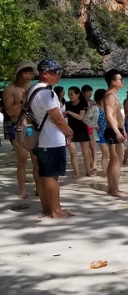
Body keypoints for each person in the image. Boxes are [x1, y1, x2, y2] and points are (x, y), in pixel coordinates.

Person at [29, 59, 73, 218]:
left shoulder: (33, 89)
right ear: (45, 74)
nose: (59, 76)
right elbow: (58, 119)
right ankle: (56, 210)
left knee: (43, 174)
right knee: (51, 176)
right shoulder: (47, 92)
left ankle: (47, 208)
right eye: (56, 73)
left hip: (40, 139)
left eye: (60, 72)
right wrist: (68, 131)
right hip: (51, 140)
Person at [1, 61, 39, 198]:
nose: (28, 76)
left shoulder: (32, 88)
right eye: (25, 73)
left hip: (31, 128)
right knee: (22, 160)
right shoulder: (9, 90)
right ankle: (22, 190)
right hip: (16, 127)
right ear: (19, 74)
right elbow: (10, 112)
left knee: (36, 160)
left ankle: (38, 187)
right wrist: (23, 101)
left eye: (30, 73)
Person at [103, 69, 127, 197]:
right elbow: (109, 116)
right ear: (113, 82)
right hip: (113, 130)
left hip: (117, 129)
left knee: (115, 160)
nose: (122, 81)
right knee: (116, 161)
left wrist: (122, 130)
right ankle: (114, 189)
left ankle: (111, 187)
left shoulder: (113, 94)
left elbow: (117, 116)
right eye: (120, 79)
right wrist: (117, 132)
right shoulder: (110, 96)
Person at [64, 86, 93, 177]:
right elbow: (64, 116)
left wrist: (69, 112)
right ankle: (76, 173)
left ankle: (88, 172)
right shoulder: (67, 104)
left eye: (71, 94)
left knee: (86, 153)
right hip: (71, 130)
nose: (70, 96)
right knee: (73, 152)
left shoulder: (82, 104)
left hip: (82, 130)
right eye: (68, 94)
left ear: (78, 94)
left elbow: (80, 117)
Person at [81, 84, 97, 173]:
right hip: (82, 126)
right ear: (83, 92)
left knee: (92, 146)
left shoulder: (92, 102)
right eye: (88, 92)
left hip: (90, 126)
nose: (90, 94)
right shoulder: (80, 102)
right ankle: (89, 162)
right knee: (86, 148)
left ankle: (94, 164)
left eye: (91, 92)